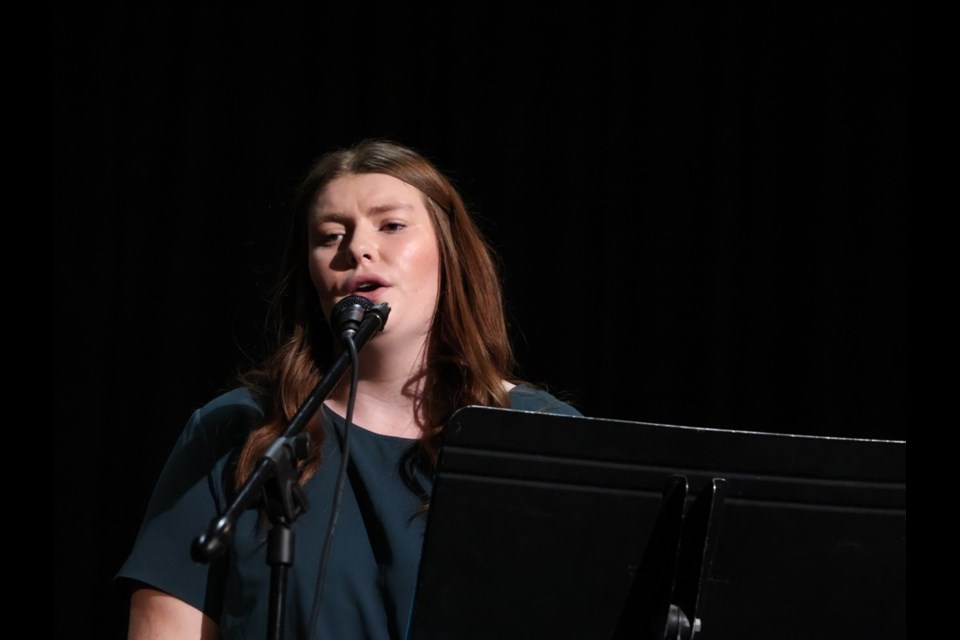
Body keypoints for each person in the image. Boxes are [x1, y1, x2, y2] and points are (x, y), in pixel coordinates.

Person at [116, 138, 582, 640]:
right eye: (330, 235)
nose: (357, 248)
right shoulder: (237, 429)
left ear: (451, 255)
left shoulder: (539, 433)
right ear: (311, 276)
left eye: (392, 226)